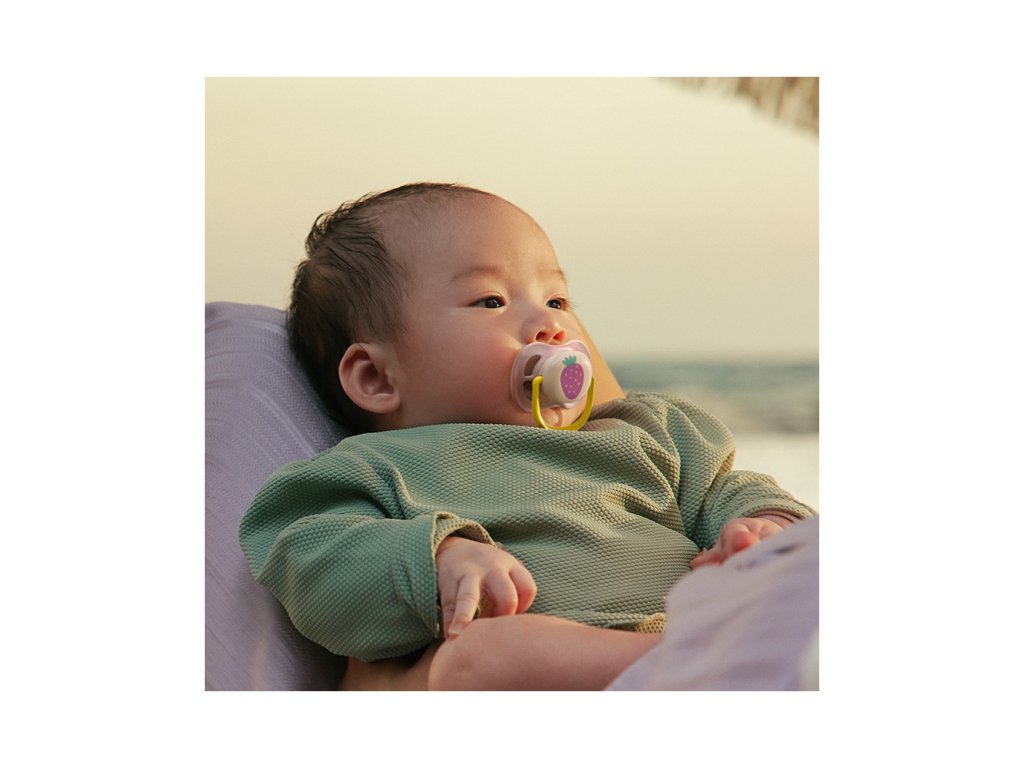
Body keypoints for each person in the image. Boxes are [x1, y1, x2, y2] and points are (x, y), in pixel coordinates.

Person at [239, 182, 816, 690]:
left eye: (557, 300)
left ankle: (723, 664)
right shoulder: (374, 467)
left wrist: (764, 526)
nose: (552, 325)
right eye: (491, 300)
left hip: (696, 628)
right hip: (559, 671)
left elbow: (726, 490)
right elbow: (309, 553)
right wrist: (437, 559)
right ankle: (713, 669)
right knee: (486, 656)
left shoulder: (645, 433)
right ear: (376, 377)